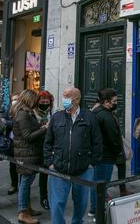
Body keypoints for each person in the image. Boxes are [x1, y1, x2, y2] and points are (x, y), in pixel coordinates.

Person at [44, 87, 103, 224]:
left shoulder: (89, 117)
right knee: (57, 204)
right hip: (58, 168)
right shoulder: (57, 117)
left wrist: (92, 163)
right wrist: (49, 162)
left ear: (76, 99)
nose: (64, 98)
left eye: (67, 96)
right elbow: (48, 141)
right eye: (64, 95)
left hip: (83, 170)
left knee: (81, 204)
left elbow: (97, 142)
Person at [12, 89, 48, 224]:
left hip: (27, 153)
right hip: (26, 154)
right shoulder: (23, 114)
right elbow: (28, 136)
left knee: (25, 182)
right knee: (25, 183)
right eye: (36, 99)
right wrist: (44, 129)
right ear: (30, 99)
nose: (38, 102)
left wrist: (40, 126)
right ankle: (23, 212)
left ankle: (27, 208)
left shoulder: (25, 112)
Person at [89, 89, 123, 217]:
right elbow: (113, 138)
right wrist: (118, 151)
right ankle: (97, 210)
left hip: (97, 154)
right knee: (102, 184)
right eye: (114, 101)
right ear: (106, 102)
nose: (116, 103)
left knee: (96, 183)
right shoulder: (107, 116)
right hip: (106, 155)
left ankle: (94, 208)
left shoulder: (95, 112)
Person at [33, 90, 54, 210]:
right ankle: (42, 196)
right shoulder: (34, 112)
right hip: (37, 145)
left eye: (47, 101)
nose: (45, 103)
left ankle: (46, 197)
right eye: (43, 101)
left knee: (46, 173)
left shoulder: (52, 111)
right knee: (39, 173)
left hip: (49, 145)